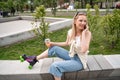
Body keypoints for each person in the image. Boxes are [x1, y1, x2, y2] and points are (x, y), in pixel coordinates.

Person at [23, 12, 91, 80]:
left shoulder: (87, 33)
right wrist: (52, 43)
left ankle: (32, 60)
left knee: (55, 66)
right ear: (75, 21)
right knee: (54, 48)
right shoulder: (70, 32)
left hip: (79, 62)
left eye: (85, 21)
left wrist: (83, 33)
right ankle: (34, 60)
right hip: (72, 55)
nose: (83, 23)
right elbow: (66, 43)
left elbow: (84, 50)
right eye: (81, 20)